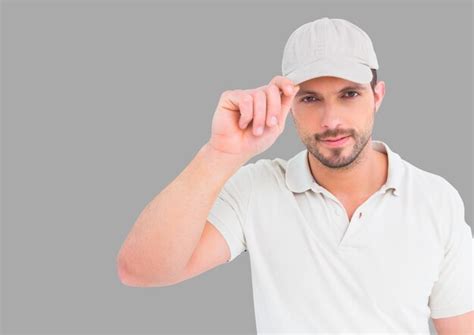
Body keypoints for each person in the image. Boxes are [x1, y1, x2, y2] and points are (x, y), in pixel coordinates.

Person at [117, 17, 473, 334]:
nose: (331, 120)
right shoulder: (257, 189)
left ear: (377, 96)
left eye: (349, 94)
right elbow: (140, 269)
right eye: (310, 99)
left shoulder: (435, 199)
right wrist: (220, 154)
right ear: (288, 106)